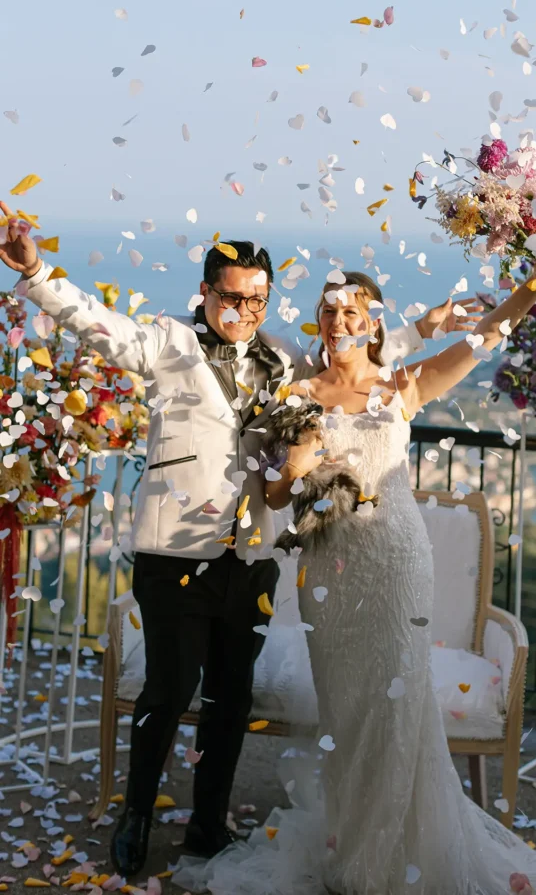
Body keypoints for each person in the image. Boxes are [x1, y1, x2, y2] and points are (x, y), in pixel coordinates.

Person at [0, 205, 481, 876]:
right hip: (174, 553)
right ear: (206, 292)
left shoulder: (283, 361)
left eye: (257, 299)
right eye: (233, 296)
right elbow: (97, 326)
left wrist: (430, 324)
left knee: (229, 699)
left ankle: (206, 826)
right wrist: (36, 274)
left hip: (250, 558)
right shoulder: (168, 344)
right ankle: (136, 815)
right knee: (168, 692)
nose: (245, 310)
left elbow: (359, 349)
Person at [173, 270, 536, 895]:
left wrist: (530, 290)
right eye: (329, 313)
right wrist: (296, 470)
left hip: (395, 566)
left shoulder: (402, 386)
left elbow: (486, 338)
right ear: (320, 321)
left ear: (375, 322)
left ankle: (388, 865)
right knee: (348, 712)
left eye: (352, 313)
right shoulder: (298, 394)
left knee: (394, 710)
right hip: (327, 574)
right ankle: (352, 850)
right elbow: (276, 493)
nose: (339, 323)